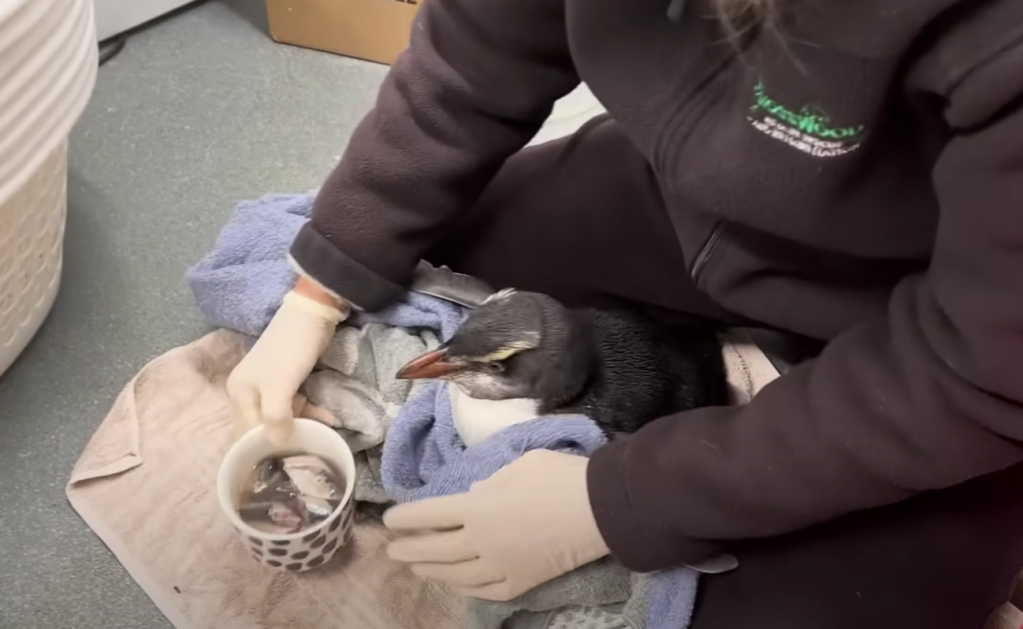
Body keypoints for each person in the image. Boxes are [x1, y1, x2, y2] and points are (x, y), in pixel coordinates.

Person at [226, 0, 1023, 626]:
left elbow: (980, 374)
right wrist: (319, 286)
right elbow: (473, 58)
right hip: (678, 206)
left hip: (938, 333)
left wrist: (622, 502)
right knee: (418, 255)